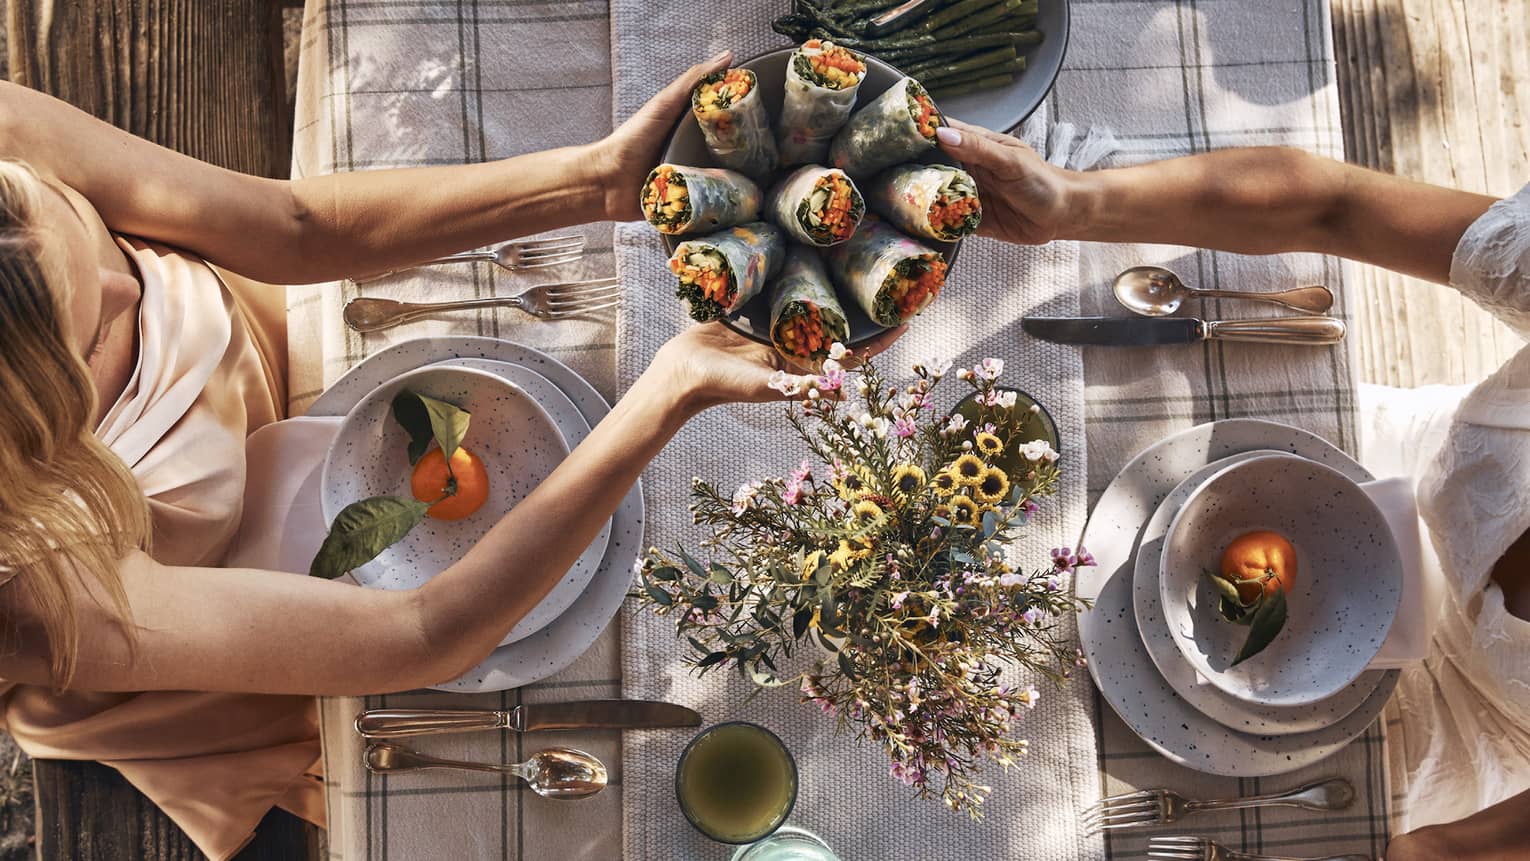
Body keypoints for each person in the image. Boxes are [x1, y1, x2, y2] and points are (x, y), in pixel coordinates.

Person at [0, 50, 892, 859]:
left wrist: (597, 180)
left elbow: (296, 224)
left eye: (71, 228)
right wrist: (664, 395)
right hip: (228, 615)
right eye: (90, 338)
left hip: (283, 352)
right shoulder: (27, 589)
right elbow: (421, 635)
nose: (135, 283)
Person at [934, 120, 1530, 860]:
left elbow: (1443, 852)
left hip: (1459, 722)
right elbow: (1335, 205)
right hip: (1388, 469)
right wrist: (1075, 202)